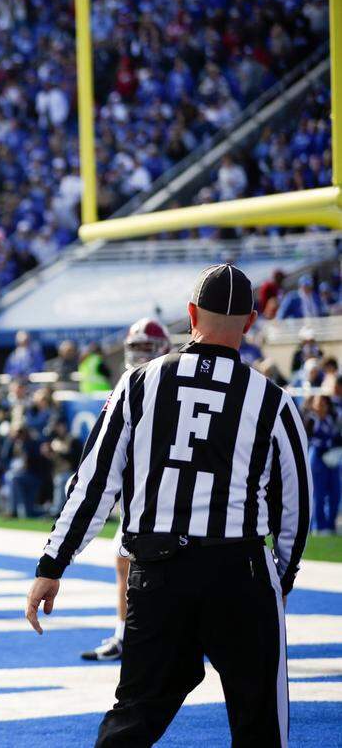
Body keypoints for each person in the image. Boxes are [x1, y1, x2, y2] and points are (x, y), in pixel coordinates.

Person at [26, 265, 311, 747]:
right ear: (249, 322)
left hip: (158, 571)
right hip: (239, 570)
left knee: (133, 718)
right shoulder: (271, 401)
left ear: (191, 314)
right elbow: (295, 507)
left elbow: (94, 483)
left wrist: (52, 564)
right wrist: (280, 579)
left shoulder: (140, 383)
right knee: (260, 723)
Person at [81, 317, 170, 662]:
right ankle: (127, 634)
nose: (141, 355)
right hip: (140, 486)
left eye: (147, 348)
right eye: (136, 348)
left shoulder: (151, 382)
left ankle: (145, 636)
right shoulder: (136, 380)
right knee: (124, 561)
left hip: (160, 487)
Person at [304, 394, 340, 534]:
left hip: (332, 458)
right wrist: (325, 444)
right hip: (317, 458)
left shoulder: (332, 419)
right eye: (319, 403)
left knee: (335, 493)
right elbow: (307, 439)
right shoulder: (311, 420)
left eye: (324, 403)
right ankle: (319, 527)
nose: (322, 406)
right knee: (317, 494)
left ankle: (330, 525)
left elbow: (337, 436)